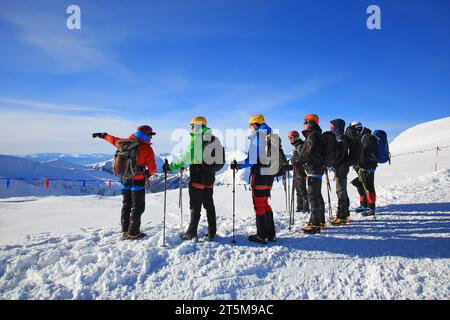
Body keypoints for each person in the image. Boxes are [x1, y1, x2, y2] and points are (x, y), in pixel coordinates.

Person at [92, 125, 157, 240]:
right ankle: (133, 232)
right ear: (146, 134)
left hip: (124, 179)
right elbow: (152, 168)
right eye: (150, 135)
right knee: (138, 206)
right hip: (137, 181)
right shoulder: (146, 148)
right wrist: (148, 174)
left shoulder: (124, 142)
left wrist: (103, 135)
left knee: (126, 204)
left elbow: (112, 139)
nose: (151, 137)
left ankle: (125, 229)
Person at [163, 116, 218, 241]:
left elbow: (186, 158)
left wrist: (171, 167)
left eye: (192, 125)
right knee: (209, 205)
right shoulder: (213, 138)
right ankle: (212, 232)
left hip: (198, 176)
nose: (191, 128)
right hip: (210, 177)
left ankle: (192, 232)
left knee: (195, 206)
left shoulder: (197, 139)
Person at [231, 114, 276, 244]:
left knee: (259, 204)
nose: (250, 128)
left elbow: (252, 159)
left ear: (255, 124)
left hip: (260, 175)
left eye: (250, 125)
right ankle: (271, 233)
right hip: (270, 175)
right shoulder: (271, 136)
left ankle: (262, 235)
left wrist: (238, 165)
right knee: (265, 203)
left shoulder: (258, 136)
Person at [297, 114, 326, 234]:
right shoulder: (316, 134)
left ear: (310, 122)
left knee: (313, 197)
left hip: (313, 169)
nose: (303, 124)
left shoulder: (313, 135)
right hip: (316, 169)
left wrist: (299, 158)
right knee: (317, 195)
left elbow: (310, 153)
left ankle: (314, 224)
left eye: (304, 121)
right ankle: (320, 221)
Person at [345, 121, 378, 215]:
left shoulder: (367, 137)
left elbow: (366, 152)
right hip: (362, 165)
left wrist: (360, 162)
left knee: (368, 186)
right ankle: (363, 205)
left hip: (368, 166)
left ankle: (371, 208)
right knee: (360, 184)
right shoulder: (361, 137)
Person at [329, 119, 351, 226]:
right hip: (342, 167)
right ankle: (345, 213)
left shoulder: (340, 138)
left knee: (340, 190)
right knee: (342, 190)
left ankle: (342, 216)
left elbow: (340, 155)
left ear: (336, 126)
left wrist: (333, 163)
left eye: (332, 126)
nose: (330, 128)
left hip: (341, 167)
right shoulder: (340, 137)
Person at [288, 130, 309, 213]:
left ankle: (305, 208)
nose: (290, 139)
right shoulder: (296, 146)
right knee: (298, 190)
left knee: (302, 190)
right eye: (289, 138)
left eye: (291, 137)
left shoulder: (300, 146)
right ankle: (299, 207)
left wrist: (304, 173)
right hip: (297, 171)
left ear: (296, 137)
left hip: (300, 171)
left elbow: (301, 159)